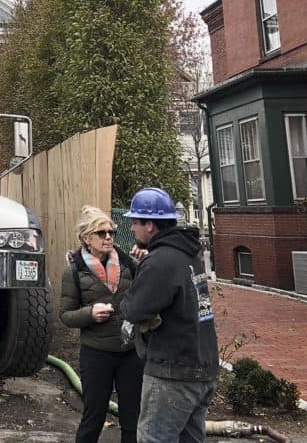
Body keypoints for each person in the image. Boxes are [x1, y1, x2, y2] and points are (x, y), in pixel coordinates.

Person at [119, 187, 219, 443]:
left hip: (173, 373)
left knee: (154, 438)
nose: (131, 229)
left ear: (150, 225)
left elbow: (134, 309)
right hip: (202, 368)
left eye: (135, 222)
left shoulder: (161, 261)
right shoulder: (188, 253)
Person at [60, 205, 143, 443]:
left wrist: (147, 257)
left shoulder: (128, 263)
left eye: (111, 232)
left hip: (130, 353)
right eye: (101, 233)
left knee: (132, 420)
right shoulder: (74, 271)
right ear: (86, 238)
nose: (108, 237)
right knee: (93, 417)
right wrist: (89, 314)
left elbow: (150, 284)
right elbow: (65, 315)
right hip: (96, 354)